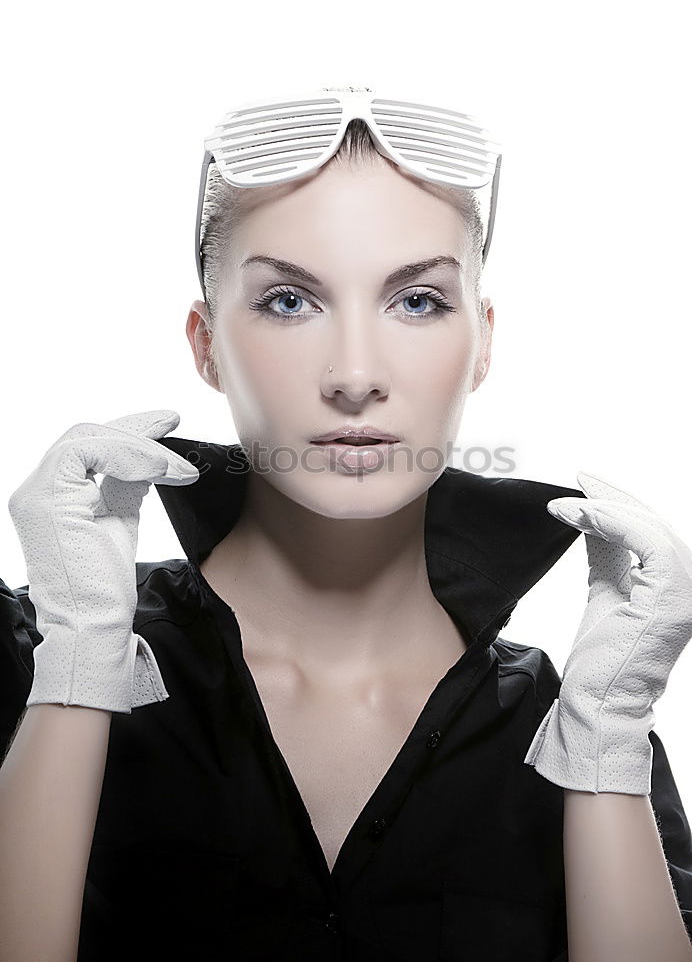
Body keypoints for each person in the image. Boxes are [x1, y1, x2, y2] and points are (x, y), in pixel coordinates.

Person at [1, 88, 691, 962]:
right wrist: (74, 673)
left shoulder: (578, 723)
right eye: (290, 300)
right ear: (205, 342)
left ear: (482, 343)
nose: (355, 374)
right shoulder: (29, 655)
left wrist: (604, 748)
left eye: (418, 302)